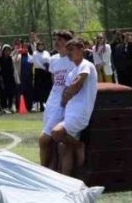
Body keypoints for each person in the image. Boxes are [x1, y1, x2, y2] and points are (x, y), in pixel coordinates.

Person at [50, 38, 98, 176]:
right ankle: (67, 179)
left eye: (72, 49)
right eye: (68, 50)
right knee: (63, 147)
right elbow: (65, 95)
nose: (69, 53)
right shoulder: (73, 71)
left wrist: (69, 93)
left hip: (80, 114)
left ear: (81, 50)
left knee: (56, 133)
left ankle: (79, 146)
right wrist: (68, 94)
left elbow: (77, 85)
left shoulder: (86, 65)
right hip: (70, 113)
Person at [37, 30, 74, 171]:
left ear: (68, 42)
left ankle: (42, 171)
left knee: (44, 139)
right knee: (50, 144)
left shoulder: (73, 60)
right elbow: (55, 82)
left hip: (63, 105)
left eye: (60, 39)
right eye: (55, 39)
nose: (56, 42)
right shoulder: (53, 59)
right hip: (51, 103)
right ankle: (51, 171)